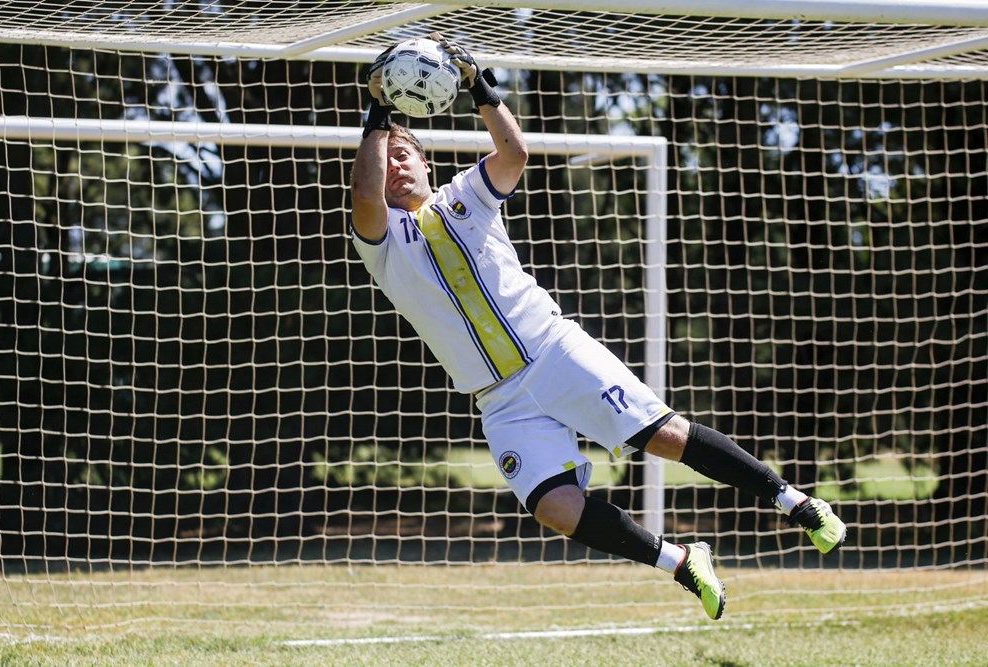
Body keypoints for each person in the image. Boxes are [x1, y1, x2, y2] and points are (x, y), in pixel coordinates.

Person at [349, 34, 847, 621]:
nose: (395, 167)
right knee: (554, 508)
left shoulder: (466, 195)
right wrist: (378, 110)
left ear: (426, 162)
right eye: (386, 159)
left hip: (554, 352)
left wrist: (478, 84)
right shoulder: (379, 242)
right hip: (499, 399)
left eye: (404, 156)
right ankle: (680, 560)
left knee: (665, 436)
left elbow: (514, 153)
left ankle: (795, 503)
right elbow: (364, 192)